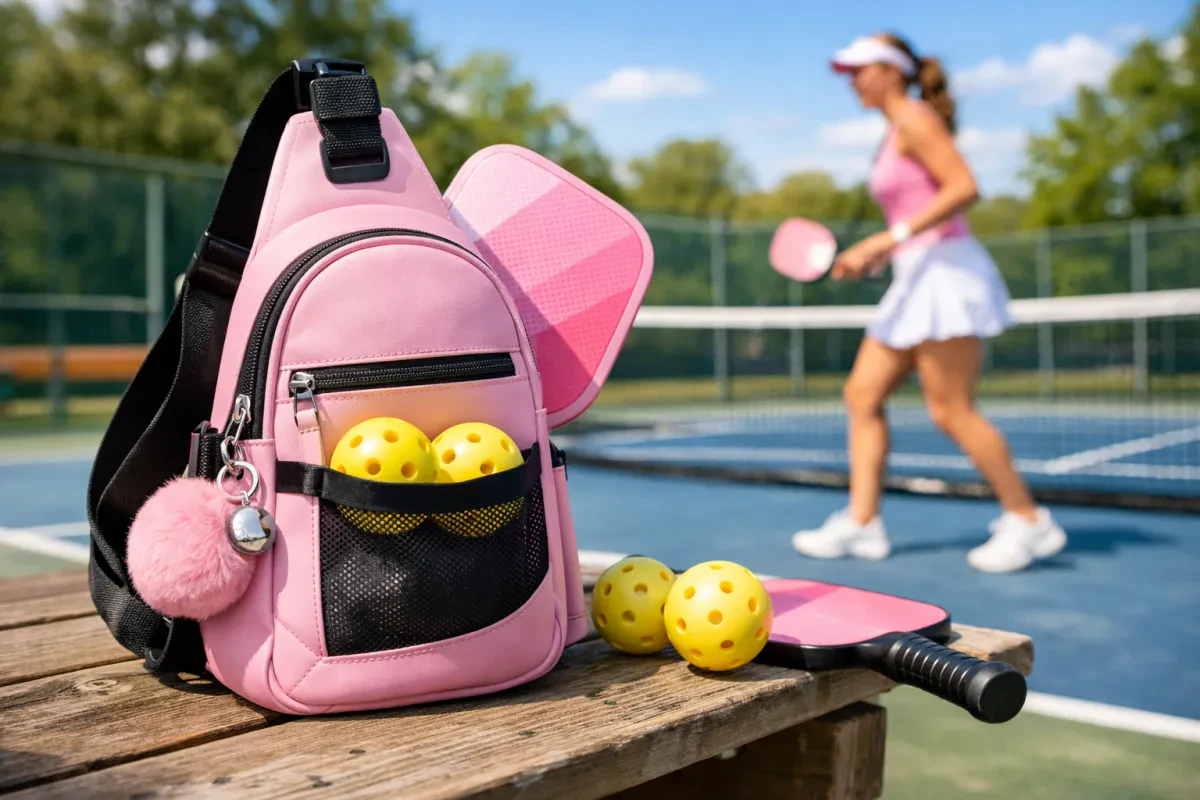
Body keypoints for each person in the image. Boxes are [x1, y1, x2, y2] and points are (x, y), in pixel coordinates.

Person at [791, 33, 1066, 573]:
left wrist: (884, 240)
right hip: (915, 275)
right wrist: (874, 255)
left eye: (860, 69)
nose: (852, 80)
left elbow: (964, 186)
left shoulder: (914, 116)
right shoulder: (894, 130)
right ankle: (863, 523)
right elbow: (915, 215)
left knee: (951, 410)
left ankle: (1029, 520)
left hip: (947, 275)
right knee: (861, 394)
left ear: (892, 71)